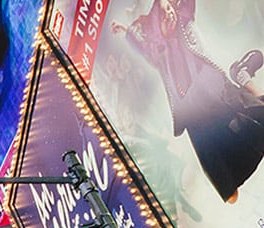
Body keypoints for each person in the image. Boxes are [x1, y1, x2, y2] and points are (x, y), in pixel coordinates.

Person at [112, 0, 264, 203]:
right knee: (230, 192)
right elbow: (143, 46)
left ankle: (242, 75)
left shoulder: (185, 25)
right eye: (165, 12)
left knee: (255, 118)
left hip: (216, 92)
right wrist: (125, 32)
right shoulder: (159, 53)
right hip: (196, 116)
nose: (170, 15)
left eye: (171, 9)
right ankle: (242, 75)